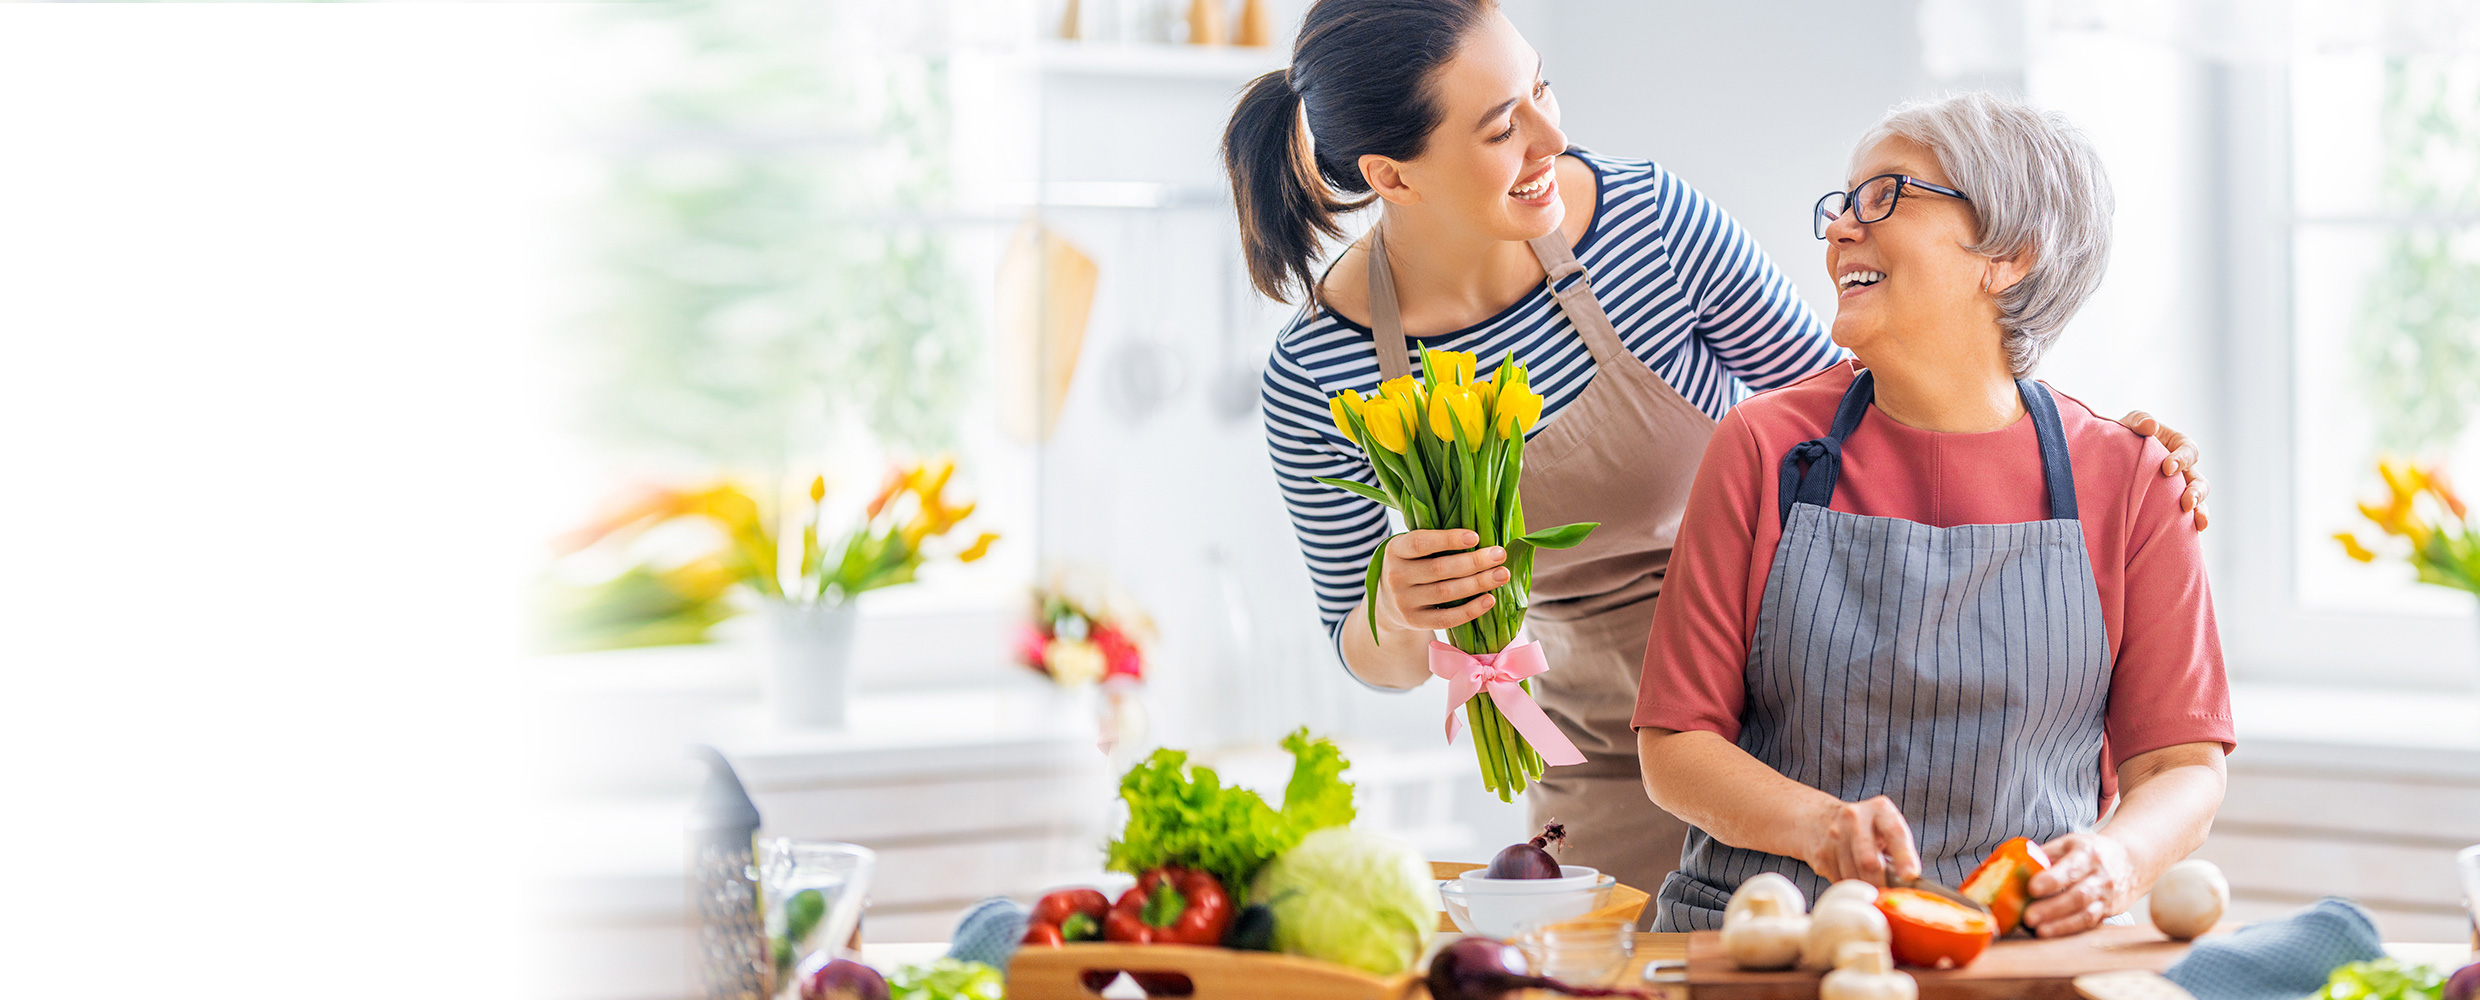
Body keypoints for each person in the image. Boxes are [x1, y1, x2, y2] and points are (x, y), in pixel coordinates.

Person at [1227, 0, 2210, 904]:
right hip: (1603, 750)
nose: (1550, 137)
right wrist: (1399, 611)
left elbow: (1875, 397)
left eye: (1538, 88)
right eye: (1499, 128)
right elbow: (1365, 653)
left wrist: (2083, 447)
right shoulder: (1318, 372)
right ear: (1390, 176)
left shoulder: (1646, 226)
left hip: (1803, 718)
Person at [1632, 92, 2234, 934]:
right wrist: (1817, 826)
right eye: (1842, 204)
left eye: (1886, 195)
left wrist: (2119, 860)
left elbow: (2182, 765)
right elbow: (1675, 749)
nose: (1842, 227)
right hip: (1772, 940)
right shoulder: (1765, 448)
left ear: (2010, 255)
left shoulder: (2132, 479)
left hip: (2018, 953)